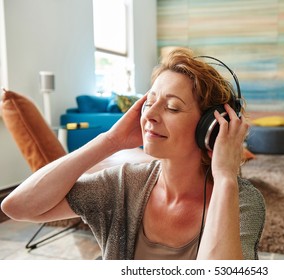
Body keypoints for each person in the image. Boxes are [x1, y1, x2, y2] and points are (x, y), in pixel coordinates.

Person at [1, 47, 265, 260]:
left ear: (211, 127)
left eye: (172, 107)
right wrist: (110, 140)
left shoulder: (242, 202)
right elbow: (16, 206)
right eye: (149, 103)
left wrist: (225, 177)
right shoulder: (123, 185)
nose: (149, 114)